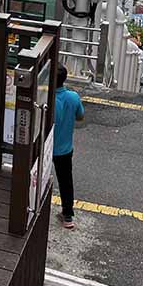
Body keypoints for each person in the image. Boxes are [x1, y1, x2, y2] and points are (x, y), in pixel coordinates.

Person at [53, 64, 84, 230]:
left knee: (36, 177)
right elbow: (80, 117)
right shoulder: (73, 97)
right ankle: (67, 216)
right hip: (65, 149)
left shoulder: (45, 96)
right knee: (66, 182)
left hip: (45, 146)